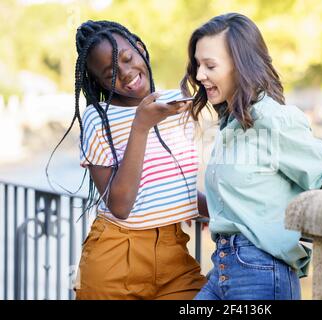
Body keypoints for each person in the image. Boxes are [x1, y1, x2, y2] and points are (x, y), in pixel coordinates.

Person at [181, 13, 322, 300]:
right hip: (224, 271)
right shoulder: (232, 124)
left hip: (261, 274)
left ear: (240, 65)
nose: (199, 75)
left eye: (210, 65)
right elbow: (249, 205)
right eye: (198, 65)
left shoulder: (273, 119)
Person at [54, 20, 207, 299]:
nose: (125, 74)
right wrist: (141, 126)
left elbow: (167, 180)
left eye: (127, 58)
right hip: (115, 260)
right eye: (110, 73)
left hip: (175, 257)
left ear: (140, 49)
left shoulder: (179, 104)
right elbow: (120, 205)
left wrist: (206, 208)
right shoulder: (98, 119)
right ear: (98, 82)